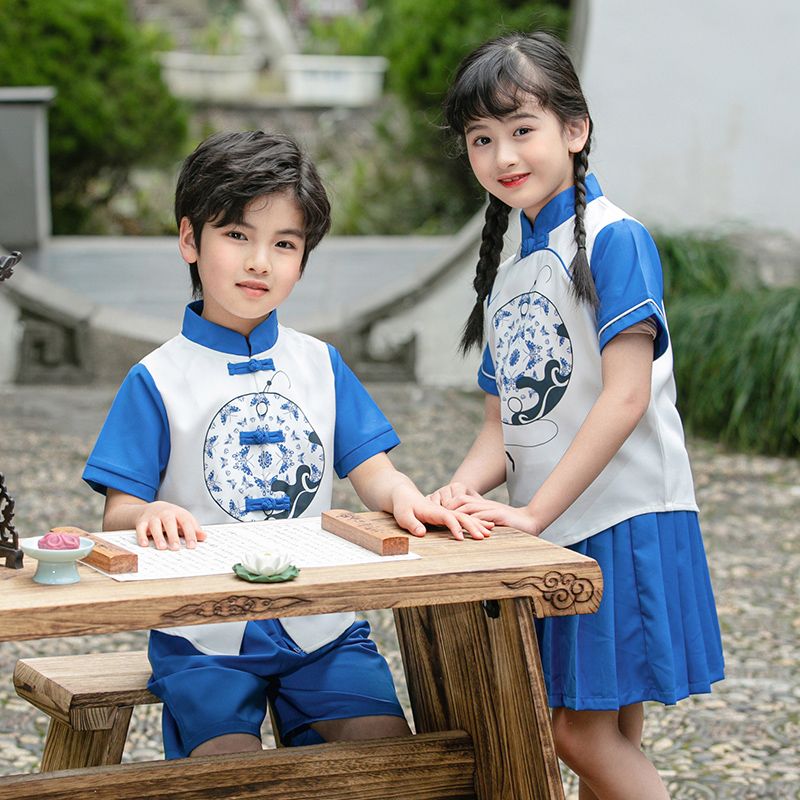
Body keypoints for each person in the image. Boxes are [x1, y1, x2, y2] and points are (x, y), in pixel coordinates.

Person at [83, 130, 490, 761]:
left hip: (322, 624)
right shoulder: (157, 379)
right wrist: (149, 513)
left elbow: (375, 474)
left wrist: (412, 500)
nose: (259, 263)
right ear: (190, 239)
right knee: (231, 771)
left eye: (284, 244)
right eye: (237, 236)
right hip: (204, 632)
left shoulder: (321, 365)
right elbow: (118, 512)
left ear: (304, 257)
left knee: (384, 758)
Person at [429, 32, 724, 799]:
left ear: (575, 128)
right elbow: (503, 426)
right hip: (562, 524)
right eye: (482, 139)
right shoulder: (505, 274)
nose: (503, 156)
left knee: (572, 730)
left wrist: (531, 518)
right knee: (610, 733)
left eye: (522, 130)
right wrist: (458, 494)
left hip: (624, 518)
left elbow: (626, 397)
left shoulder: (617, 238)